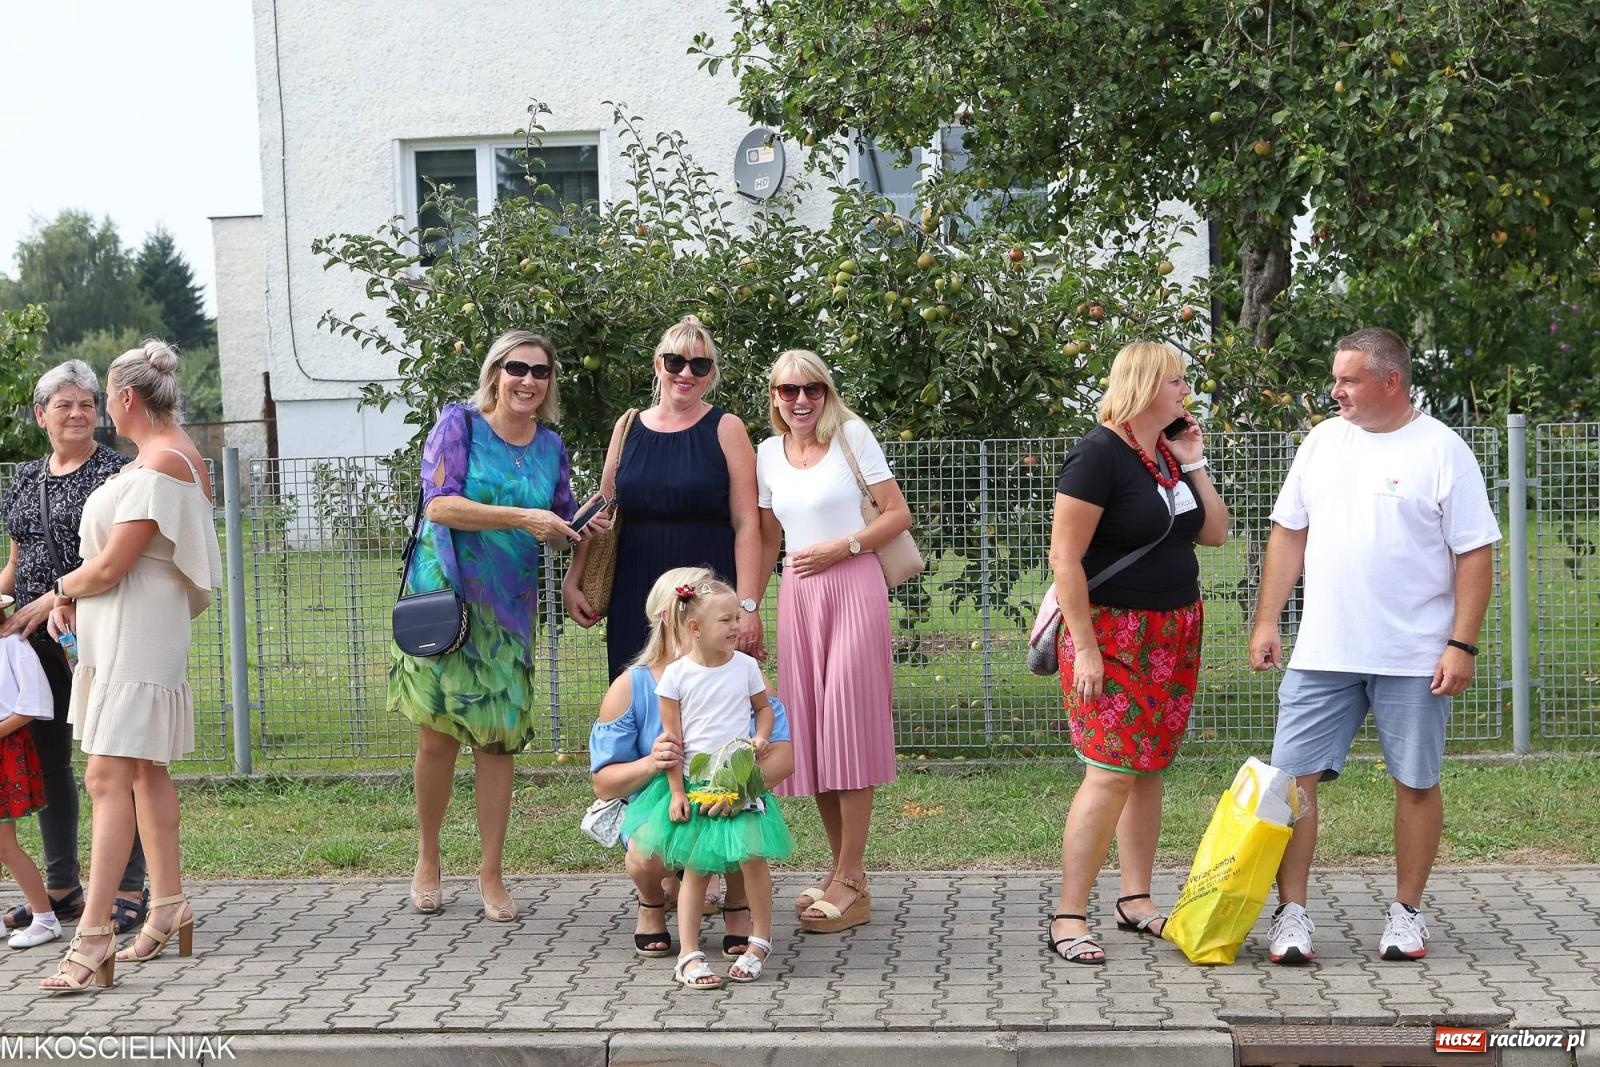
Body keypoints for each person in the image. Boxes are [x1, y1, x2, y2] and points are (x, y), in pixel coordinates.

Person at [1249, 327, 1498, 965]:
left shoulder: (1443, 450)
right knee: (1291, 783)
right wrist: (1268, 620)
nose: (1336, 392)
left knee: (1416, 782)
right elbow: (1288, 534)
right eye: (1336, 378)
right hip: (1322, 652)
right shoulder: (1322, 442)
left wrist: (1461, 644)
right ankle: (1292, 915)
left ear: (1391, 380)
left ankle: (1406, 914)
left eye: (1349, 380)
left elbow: (1475, 555)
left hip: (1416, 655)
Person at [40, 340, 224, 993]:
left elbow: (117, 563)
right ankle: (169, 901)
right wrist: (73, 601)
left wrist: (60, 590)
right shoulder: (158, 456)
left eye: (105, 401)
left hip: (139, 635)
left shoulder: (165, 462)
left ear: (124, 399)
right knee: (143, 769)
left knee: (104, 774)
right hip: (123, 628)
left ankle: (93, 933)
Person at [390, 330, 589, 923]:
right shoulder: (460, 425)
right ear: (496, 373)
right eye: (517, 369)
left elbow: (560, 511)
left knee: (497, 742)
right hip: (447, 599)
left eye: (541, 371)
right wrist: (524, 517)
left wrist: (583, 524)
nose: (528, 381)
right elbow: (439, 504)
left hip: (508, 612)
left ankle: (492, 872)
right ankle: (427, 859)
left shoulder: (552, 445)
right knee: (437, 737)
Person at [1043, 341, 1230, 965]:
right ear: (1146, 384)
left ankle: (1135, 899)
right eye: (1177, 381)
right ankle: (1069, 916)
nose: (1185, 392)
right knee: (1111, 770)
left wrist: (1194, 462)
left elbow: (1215, 531)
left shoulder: (1163, 455)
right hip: (1111, 633)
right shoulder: (1099, 455)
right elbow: (1064, 558)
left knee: (1148, 767)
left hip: (1173, 631)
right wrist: (1088, 649)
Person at [754, 349, 912, 934]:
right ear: (773, 396)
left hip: (852, 587)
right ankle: (843, 873)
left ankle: (850, 876)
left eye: (812, 389)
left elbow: (898, 515)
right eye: (788, 391)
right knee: (815, 733)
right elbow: (768, 537)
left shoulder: (852, 435)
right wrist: (750, 605)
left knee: (847, 721)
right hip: (798, 596)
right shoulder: (767, 454)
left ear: (826, 392)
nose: (800, 401)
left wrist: (844, 547)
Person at [0, 360, 150, 938]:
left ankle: (130, 887)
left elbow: (118, 563)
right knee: (50, 764)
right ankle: (62, 889)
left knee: (112, 760)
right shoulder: (27, 479)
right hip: (31, 645)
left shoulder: (118, 473)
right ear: (41, 416)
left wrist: (59, 601)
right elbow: (18, 562)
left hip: (100, 631)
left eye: (87, 402)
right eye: (63, 404)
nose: (78, 413)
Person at [588, 566, 795, 966]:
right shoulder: (633, 686)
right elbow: (604, 784)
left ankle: (737, 905)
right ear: (679, 620)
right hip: (668, 797)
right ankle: (652, 899)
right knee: (651, 853)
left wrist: (741, 791)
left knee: (737, 830)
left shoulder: (744, 672)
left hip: (728, 789)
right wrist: (653, 763)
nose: (734, 625)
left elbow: (783, 757)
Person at [563, 315, 766, 679]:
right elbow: (602, 513)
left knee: (707, 698)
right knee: (638, 696)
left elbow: (748, 523)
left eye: (699, 365)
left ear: (710, 373)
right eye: (676, 362)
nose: (685, 373)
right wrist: (573, 580)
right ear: (658, 365)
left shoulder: (727, 428)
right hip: (636, 592)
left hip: (706, 592)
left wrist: (746, 606)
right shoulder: (627, 427)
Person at [0, 630, 56, 947]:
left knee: (4, 845)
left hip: (5, 751)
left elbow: (30, 705)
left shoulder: (14, 646)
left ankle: (46, 919)